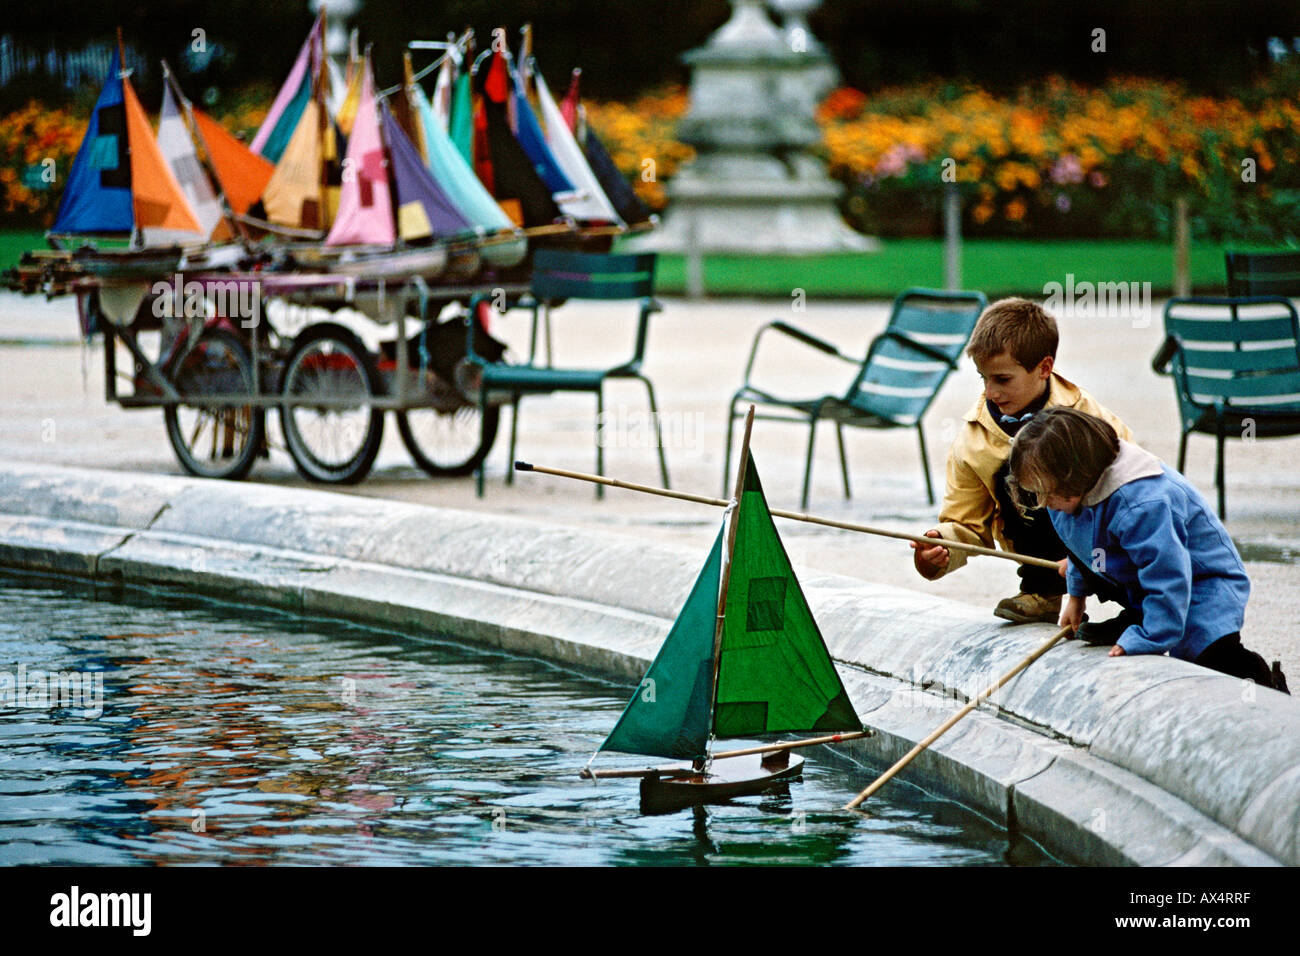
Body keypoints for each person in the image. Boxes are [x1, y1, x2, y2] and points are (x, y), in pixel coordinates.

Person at [1006, 406, 1288, 692]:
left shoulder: (1143, 503)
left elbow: (1168, 577)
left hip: (1201, 584)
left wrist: (1149, 639)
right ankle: (1140, 616)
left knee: (1203, 652)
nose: (1043, 503)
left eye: (1047, 493)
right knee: (1121, 583)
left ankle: (1266, 685)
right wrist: (1076, 597)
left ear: (1076, 476)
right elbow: (1078, 545)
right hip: (1139, 577)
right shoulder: (1067, 494)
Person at [910, 297, 1133, 624]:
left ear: (1044, 368)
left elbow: (1139, 490)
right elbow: (966, 524)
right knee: (1017, 473)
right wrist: (939, 551)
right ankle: (1045, 593)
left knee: (1049, 462)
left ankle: (1137, 603)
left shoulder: (1089, 418)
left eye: (1002, 379)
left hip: (1103, 545)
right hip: (1044, 556)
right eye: (983, 378)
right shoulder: (973, 441)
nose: (990, 393)